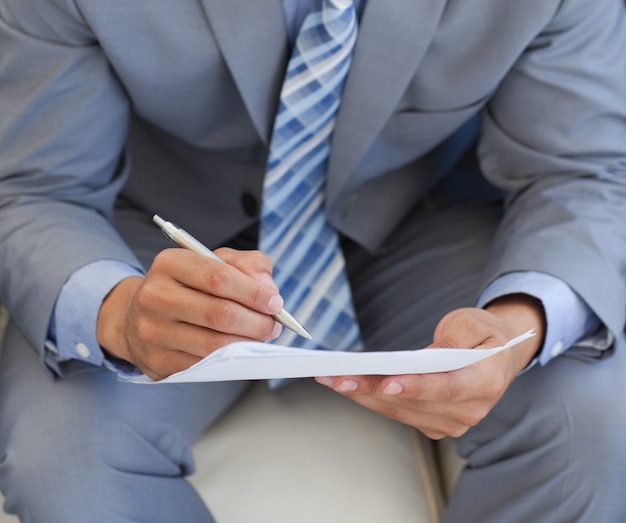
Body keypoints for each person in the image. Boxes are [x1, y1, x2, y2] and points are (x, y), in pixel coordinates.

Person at [1, 0, 625, 521]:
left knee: (593, 425)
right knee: (64, 459)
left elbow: (586, 169)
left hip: (423, 220)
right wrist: (118, 313)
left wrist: (521, 324)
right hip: (166, 242)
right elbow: (35, 187)